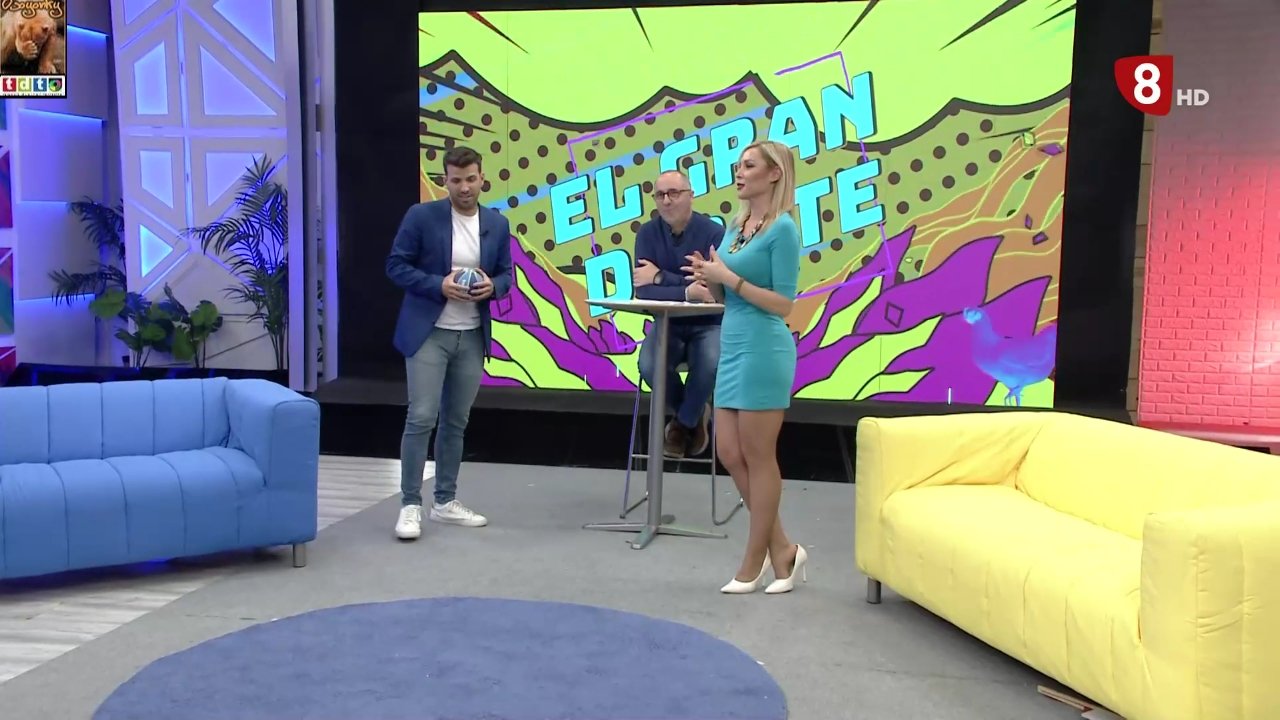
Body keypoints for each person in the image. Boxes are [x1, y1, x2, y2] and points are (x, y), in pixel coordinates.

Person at [682, 140, 806, 595]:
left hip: (763, 349)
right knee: (729, 452)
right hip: (733, 344)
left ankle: (755, 561)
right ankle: (783, 548)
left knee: (758, 454)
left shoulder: (783, 230)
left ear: (774, 174)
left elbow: (783, 303)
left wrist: (728, 279)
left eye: (749, 165)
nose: (739, 172)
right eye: (738, 165)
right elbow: (726, 293)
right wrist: (708, 284)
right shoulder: (735, 226)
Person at [385, 146, 513, 541]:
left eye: (471, 179)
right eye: (456, 180)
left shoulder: (497, 223)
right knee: (422, 416)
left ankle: (444, 501)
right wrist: (437, 285)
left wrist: (494, 287)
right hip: (429, 332)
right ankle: (410, 504)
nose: (464, 187)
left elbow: (507, 274)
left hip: (471, 334)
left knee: (456, 421)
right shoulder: (421, 216)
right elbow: (396, 265)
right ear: (445, 181)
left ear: (482, 178)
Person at [633, 169, 722, 457]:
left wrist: (660, 276)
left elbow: (712, 290)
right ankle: (694, 413)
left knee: (710, 363)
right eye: (660, 195)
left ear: (691, 196)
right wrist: (686, 290)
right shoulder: (647, 234)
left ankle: (681, 425)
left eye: (674, 193)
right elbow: (644, 291)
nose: (667, 201)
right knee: (649, 366)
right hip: (667, 322)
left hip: (708, 323)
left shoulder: (714, 233)